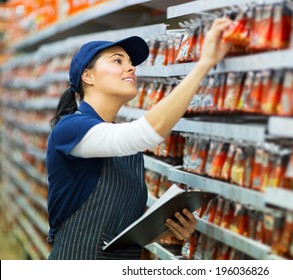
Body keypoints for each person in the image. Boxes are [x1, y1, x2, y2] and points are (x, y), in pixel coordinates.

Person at [46, 17, 232, 260]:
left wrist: (166, 228)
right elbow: (144, 133)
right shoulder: (71, 128)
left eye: (131, 62)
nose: (131, 67)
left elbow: (117, 236)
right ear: (88, 76)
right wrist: (203, 65)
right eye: (117, 61)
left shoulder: (128, 152)